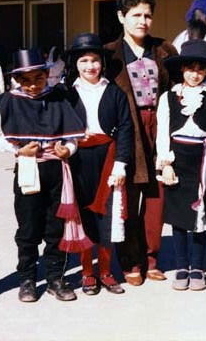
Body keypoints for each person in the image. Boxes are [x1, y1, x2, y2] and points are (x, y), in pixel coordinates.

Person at [0, 48, 89, 303]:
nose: (32, 85)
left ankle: (56, 277)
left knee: (55, 226)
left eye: (38, 78)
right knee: (28, 227)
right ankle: (27, 279)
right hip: (27, 169)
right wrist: (18, 149)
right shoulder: (7, 102)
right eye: (25, 80)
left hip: (57, 170)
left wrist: (68, 148)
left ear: (47, 75)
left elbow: (72, 136)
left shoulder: (58, 99)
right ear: (16, 80)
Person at [103, 0, 179, 286]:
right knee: (126, 196)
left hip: (158, 125)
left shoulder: (165, 50)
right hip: (126, 129)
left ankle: (151, 259)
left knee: (155, 197)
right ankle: (129, 260)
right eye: (135, 14)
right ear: (122, 17)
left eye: (147, 15)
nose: (142, 21)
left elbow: (177, 89)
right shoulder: (108, 53)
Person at [64, 33, 134, 295]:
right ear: (76, 64)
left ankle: (105, 270)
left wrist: (120, 165)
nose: (90, 66)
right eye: (84, 61)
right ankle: (87, 272)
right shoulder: (68, 93)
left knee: (105, 215)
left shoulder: (114, 91)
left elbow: (126, 129)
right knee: (83, 215)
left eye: (94, 60)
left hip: (107, 156)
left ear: (102, 63)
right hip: (78, 158)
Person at [157, 39, 206, 291]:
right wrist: (165, 163)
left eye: (200, 68)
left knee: (203, 215)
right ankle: (182, 265)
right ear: (181, 69)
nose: (195, 74)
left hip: (204, 158)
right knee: (178, 215)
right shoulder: (169, 97)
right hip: (177, 159)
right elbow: (162, 132)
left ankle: (198, 266)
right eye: (190, 68)